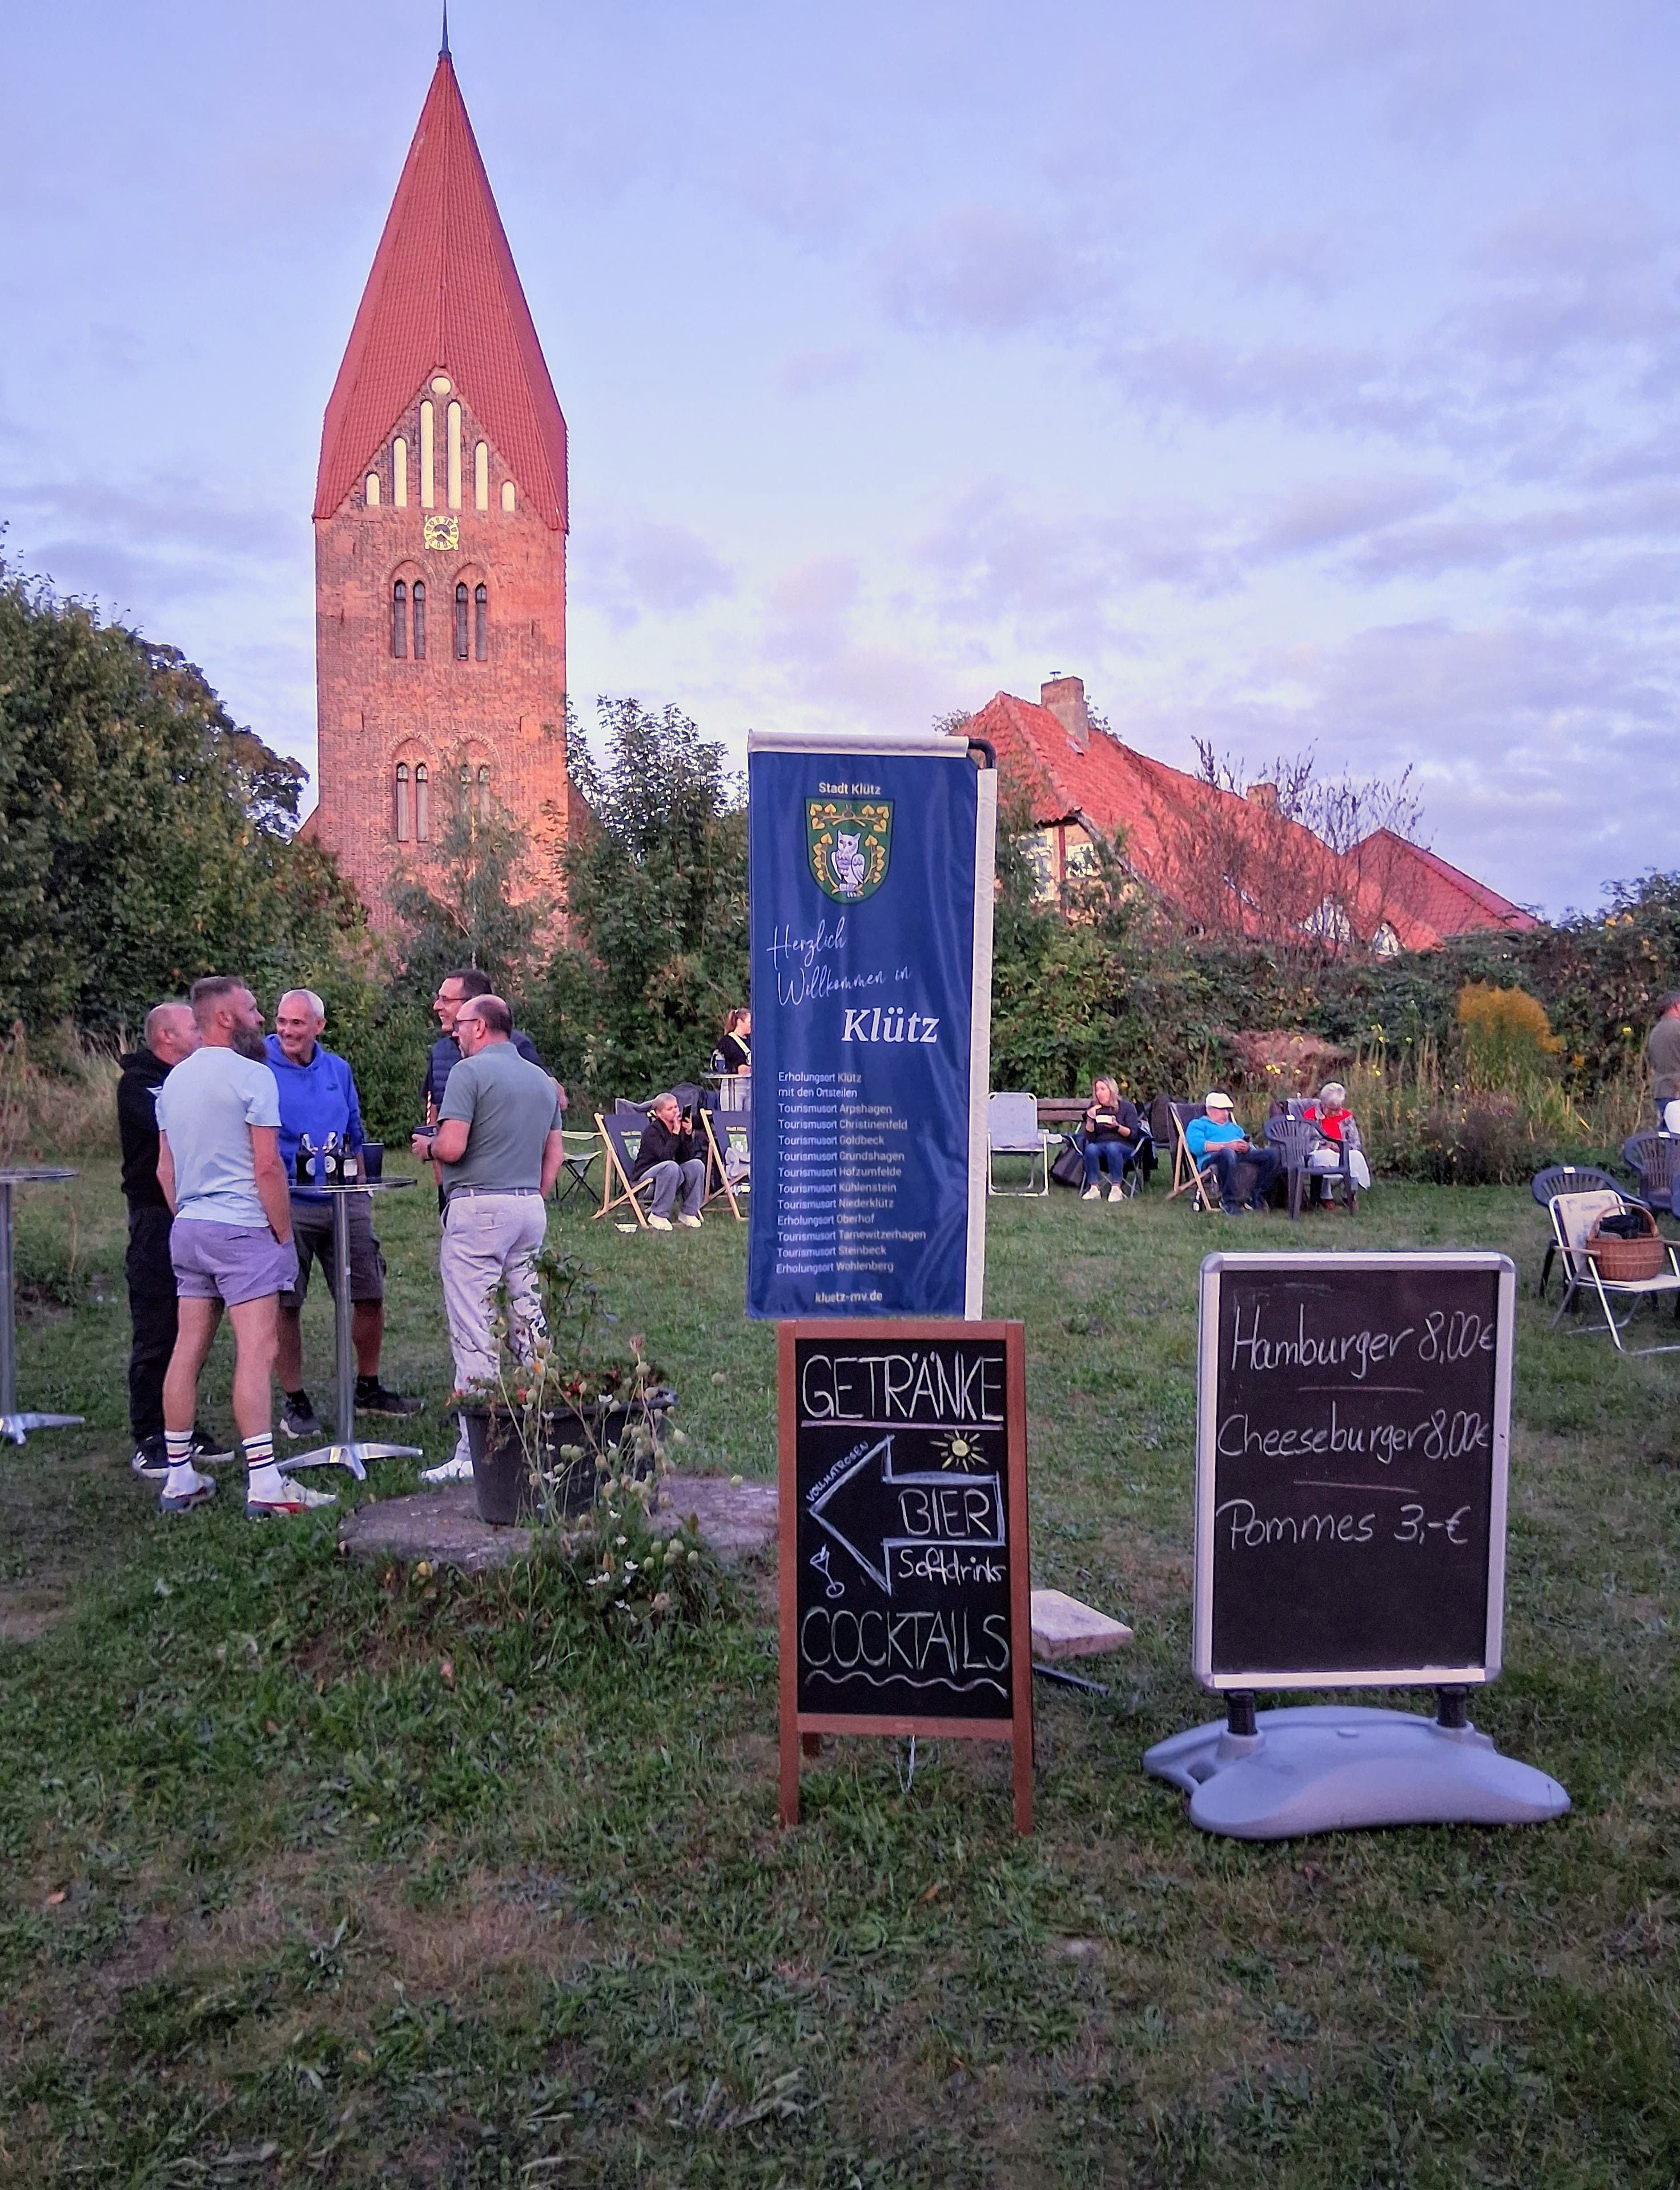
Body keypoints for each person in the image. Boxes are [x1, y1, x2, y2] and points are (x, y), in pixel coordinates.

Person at [154, 976, 334, 1518]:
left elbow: (165, 1170)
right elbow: (267, 1166)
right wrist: (282, 1234)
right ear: (225, 1018)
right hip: (244, 1229)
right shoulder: (254, 1076)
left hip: (189, 1227)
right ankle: (265, 1483)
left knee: (188, 1349)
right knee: (257, 1352)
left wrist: (188, 1216)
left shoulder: (174, 1081)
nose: (262, 1020)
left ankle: (179, 1477)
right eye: (253, 1010)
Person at [411, 994, 564, 1484]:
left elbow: (453, 1146)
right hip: (528, 1207)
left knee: (474, 1326)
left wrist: (427, 1147)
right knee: (527, 1316)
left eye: (459, 1024)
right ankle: (552, 1424)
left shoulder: (468, 1073)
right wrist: (531, 1197)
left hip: (478, 1206)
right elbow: (555, 1155)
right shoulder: (541, 1080)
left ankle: (473, 1450)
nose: (453, 1033)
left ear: (480, 1027)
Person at [266, 989, 420, 1439]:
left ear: (319, 1026)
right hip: (290, 1199)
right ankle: (295, 1400)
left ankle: (368, 1389)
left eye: (298, 1023)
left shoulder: (337, 1069)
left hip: (343, 1196)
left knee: (368, 1290)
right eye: (282, 1021)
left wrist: (361, 1190)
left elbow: (355, 1131)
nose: (288, 1031)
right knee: (286, 1301)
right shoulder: (259, 1067)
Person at [117, 1002, 231, 1479]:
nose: (201, 1033)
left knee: (193, 1325)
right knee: (156, 1325)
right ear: (166, 1036)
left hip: (199, 1213)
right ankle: (149, 1434)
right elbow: (178, 1127)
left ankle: (182, 1427)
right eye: (192, 1027)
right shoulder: (140, 1083)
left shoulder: (191, 1076)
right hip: (155, 1220)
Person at [1185, 1091, 1283, 1217]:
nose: (1226, 1113)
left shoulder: (1235, 1128)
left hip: (1239, 1155)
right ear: (1209, 1110)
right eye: (1221, 1110)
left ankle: (1257, 1198)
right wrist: (1227, 1146)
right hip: (1213, 1159)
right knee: (1228, 1153)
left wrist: (1247, 1148)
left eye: (1227, 1110)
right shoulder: (1198, 1125)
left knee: (1273, 1154)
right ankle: (1228, 1201)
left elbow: (1251, 1148)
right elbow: (1196, 1147)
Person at [632, 1093, 706, 1232]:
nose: (675, 1111)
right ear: (659, 1113)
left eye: (676, 1107)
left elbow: (686, 1158)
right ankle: (658, 1214)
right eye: (670, 1109)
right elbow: (665, 1157)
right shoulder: (652, 1131)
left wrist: (688, 1134)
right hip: (647, 1178)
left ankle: (688, 1212)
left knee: (697, 1165)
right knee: (671, 1167)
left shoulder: (678, 1127)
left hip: (672, 1175)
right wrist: (676, 1135)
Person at [1302, 1081, 1373, 1203]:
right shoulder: (1310, 1116)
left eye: (1338, 1109)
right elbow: (1304, 1141)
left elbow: (1355, 1142)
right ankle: (1326, 1197)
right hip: (1319, 1152)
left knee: (1356, 1156)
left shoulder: (1346, 1117)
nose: (1336, 1113)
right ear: (1323, 1103)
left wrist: (1343, 1148)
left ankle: (1349, 1194)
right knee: (1324, 1157)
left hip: (1342, 1151)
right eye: (1332, 1109)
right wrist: (1323, 1145)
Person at [1080, 1077, 1144, 1202]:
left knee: (1112, 1147)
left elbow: (1133, 1135)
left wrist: (1117, 1127)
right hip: (1100, 1146)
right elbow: (1089, 1137)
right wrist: (1090, 1120)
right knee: (1090, 1148)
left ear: (1112, 1090)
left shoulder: (1127, 1107)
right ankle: (1094, 1188)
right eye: (1097, 1090)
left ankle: (1116, 1189)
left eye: (1103, 1089)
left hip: (1125, 1147)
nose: (1099, 1093)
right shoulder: (1094, 1108)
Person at [1647, 992, 1680, 1133]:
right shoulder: (1678, 1028)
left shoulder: (1656, 1032)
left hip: (1661, 1091)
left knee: (1668, 1139)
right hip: (1677, 1093)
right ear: (1676, 1006)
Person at [716, 1008, 751, 1075]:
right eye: (749, 1022)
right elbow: (716, 1065)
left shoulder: (752, 1042)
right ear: (740, 1022)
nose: (752, 1025)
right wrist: (736, 1069)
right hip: (733, 1081)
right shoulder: (726, 1042)